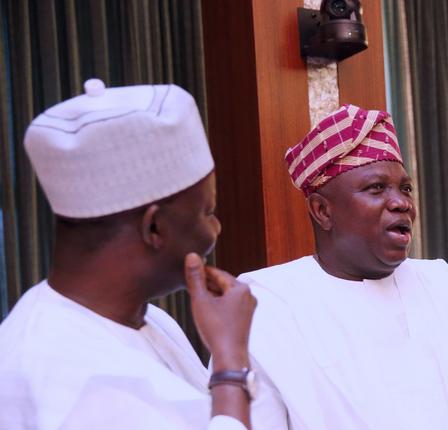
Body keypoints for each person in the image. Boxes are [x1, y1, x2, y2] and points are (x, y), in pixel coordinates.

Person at [239, 104, 448, 429]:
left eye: (405, 188)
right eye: (376, 188)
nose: (402, 203)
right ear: (322, 211)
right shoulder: (268, 310)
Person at [0, 80, 258, 429]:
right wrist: (230, 364)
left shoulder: (151, 321)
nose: (217, 229)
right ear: (154, 228)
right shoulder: (70, 379)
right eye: (207, 211)